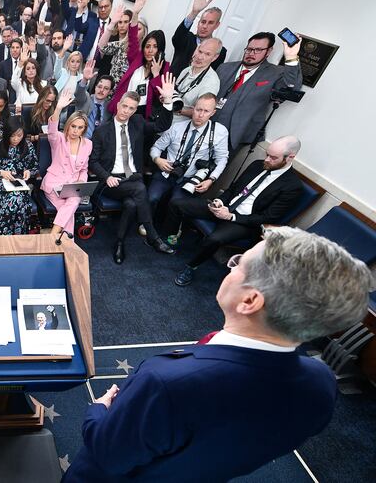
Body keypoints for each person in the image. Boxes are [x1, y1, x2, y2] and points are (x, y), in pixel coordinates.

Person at [62, 226, 373, 483]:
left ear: (250, 301)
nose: (231, 267)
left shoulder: (167, 382)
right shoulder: (322, 383)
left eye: (239, 263)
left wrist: (98, 411)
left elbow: (108, 454)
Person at [163, 136, 305, 286]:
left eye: (273, 157)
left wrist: (231, 216)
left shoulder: (293, 186)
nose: (267, 159)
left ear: (290, 157)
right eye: (267, 154)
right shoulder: (258, 165)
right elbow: (233, 189)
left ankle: (191, 267)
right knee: (176, 204)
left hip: (244, 221)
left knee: (214, 239)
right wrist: (220, 201)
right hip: (225, 207)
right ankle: (171, 238)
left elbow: (267, 217)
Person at [89, 82, 176, 264]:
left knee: (130, 204)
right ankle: (153, 236)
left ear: (135, 110)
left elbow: (161, 125)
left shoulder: (137, 123)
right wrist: (107, 177)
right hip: (111, 181)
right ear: (118, 104)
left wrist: (168, 101)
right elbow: (93, 162)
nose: (126, 111)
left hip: (133, 178)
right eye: (125, 106)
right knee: (139, 189)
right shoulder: (101, 131)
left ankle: (119, 243)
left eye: (131, 108)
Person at [214, 32, 303, 150]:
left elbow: (292, 87)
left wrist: (291, 57)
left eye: (258, 50)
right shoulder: (225, 68)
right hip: (207, 128)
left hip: (236, 137)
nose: (251, 53)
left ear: (269, 51)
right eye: (249, 49)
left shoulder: (275, 73)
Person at [148, 93, 229, 216]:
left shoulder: (219, 131)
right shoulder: (177, 127)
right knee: (152, 198)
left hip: (190, 178)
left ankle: (168, 227)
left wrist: (211, 179)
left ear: (213, 113)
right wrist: (157, 159)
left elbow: (222, 159)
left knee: (177, 205)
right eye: (198, 110)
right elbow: (156, 147)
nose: (200, 115)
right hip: (167, 172)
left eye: (206, 111)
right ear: (193, 108)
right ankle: (146, 222)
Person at [41, 90, 92, 238]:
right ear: (68, 125)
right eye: (73, 126)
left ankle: (53, 236)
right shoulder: (58, 139)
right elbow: (52, 129)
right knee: (69, 212)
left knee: (72, 202)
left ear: (84, 129)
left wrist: (81, 182)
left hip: (72, 187)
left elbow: (84, 169)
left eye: (80, 128)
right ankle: (62, 241)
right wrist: (58, 108)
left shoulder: (88, 144)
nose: (75, 131)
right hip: (54, 185)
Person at [0, 118, 39, 235]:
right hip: (0, 184)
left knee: (16, 199)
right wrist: (1, 172)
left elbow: (35, 167)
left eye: (19, 135)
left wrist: (29, 172)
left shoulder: (28, 146)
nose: (15, 139)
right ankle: (17, 236)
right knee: (17, 201)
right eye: (12, 136)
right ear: (6, 134)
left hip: (20, 184)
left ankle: (4, 235)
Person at [169, 0, 228, 79]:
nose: (205, 26)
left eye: (210, 23)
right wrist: (194, 12)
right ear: (198, 23)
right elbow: (177, 37)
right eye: (203, 22)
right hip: (170, 84)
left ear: (217, 25)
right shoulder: (186, 38)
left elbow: (210, 74)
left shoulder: (220, 51)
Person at [171, 38, 222, 120]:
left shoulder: (212, 81)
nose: (200, 57)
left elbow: (202, 112)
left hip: (180, 124)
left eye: (207, 54)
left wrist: (175, 108)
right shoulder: (186, 70)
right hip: (165, 117)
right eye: (200, 51)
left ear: (214, 57)